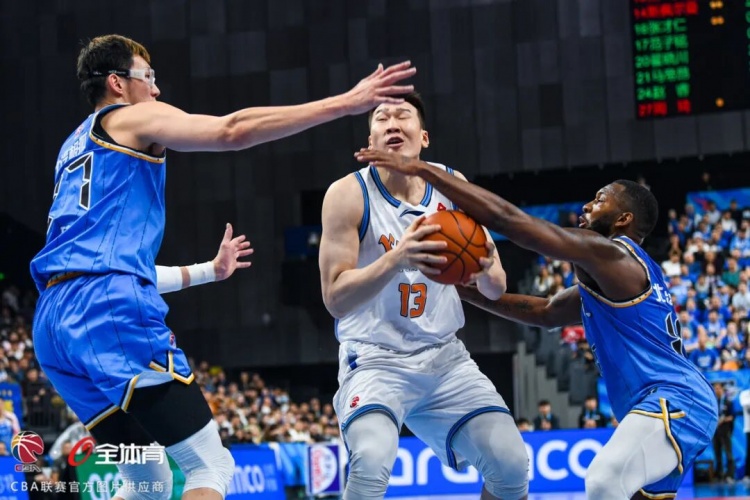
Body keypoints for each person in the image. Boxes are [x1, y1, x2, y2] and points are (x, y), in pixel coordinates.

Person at [30, 34, 415, 500]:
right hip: (105, 309)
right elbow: (233, 129)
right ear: (117, 83)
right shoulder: (129, 117)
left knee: (148, 479)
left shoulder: (72, 148)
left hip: (54, 322)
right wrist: (345, 103)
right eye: (148, 77)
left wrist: (208, 271)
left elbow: (105, 267)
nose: (156, 89)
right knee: (210, 465)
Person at [354, 149, 718, 500]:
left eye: (600, 200)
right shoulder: (619, 277)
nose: (587, 206)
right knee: (621, 489)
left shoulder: (611, 251)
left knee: (605, 480)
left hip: (674, 399)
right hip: (667, 402)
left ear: (623, 220)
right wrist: (462, 290)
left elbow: (513, 223)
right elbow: (546, 312)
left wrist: (424, 171)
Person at [319, 92, 528, 500]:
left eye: (403, 115)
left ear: (424, 137)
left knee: (511, 465)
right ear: (371, 140)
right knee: (371, 459)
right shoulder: (347, 194)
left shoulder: (454, 185)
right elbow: (335, 299)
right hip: (375, 359)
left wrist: (485, 270)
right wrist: (397, 257)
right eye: (382, 118)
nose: (392, 124)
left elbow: (497, 287)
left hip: (444, 358)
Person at [712, 382, 735, 483]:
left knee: (728, 453)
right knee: (717, 454)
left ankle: (730, 475)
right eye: (715, 388)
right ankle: (719, 475)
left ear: (722, 389)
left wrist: (723, 419)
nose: (717, 390)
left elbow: (732, 417)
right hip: (715, 431)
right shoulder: (713, 403)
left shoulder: (727, 402)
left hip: (725, 431)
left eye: (718, 388)